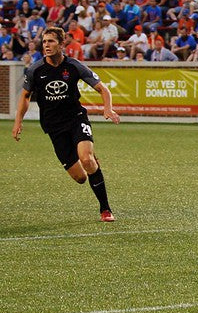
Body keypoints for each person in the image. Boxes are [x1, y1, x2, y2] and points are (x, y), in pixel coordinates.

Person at [12, 27, 120, 222]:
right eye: (44, 42)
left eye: (51, 41)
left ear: (62, 45)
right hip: (53, 127)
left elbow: (103, 89)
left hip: (76, 118)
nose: (47, 45)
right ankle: (89, 162)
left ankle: (105, 209)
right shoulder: (35, 70)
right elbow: (25, 96)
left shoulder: (74, 66)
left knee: (87, 160)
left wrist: (108, 109)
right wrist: (18, 121)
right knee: (80, 178)